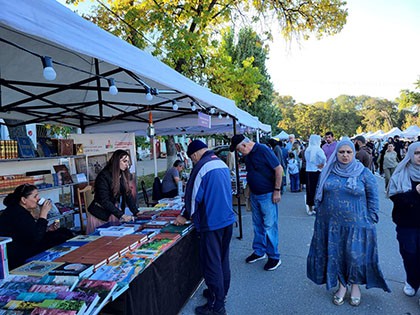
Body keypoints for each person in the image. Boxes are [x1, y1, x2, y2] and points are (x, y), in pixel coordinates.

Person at [307, 138, 390, 307]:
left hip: (358, 225)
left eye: (349, 152)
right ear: (336, 154)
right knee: (336, 255)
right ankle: (342, 286)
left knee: (354, 258)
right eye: (341, 152)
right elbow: (319, 194)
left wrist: (371, 218)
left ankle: (355, 286)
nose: (345, 155)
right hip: (332, 225)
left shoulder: (363, 173)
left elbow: (373, 197)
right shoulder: (328, 171)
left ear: (354, 153)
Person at [174, 140, 235, 315]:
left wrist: (184, 216)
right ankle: (220, 293)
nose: (193, 161)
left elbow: (193, 198)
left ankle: (217, 305)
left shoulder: (201, 166)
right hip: (226, 220)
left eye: (192, 158)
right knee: (223, 259)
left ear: (194, 154)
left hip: (212, 222)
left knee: (212, 263)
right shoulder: (220, 163)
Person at [230, 134, 283, 271]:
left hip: (268, 194)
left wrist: (277, 190)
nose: (239, 152)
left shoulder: (263, 149)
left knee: (270, 226)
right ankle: (259, 251)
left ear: (244, 145)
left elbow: (279, 169)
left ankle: (274, 256)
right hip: (255, 194)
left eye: (239, 150)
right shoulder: (248, 154)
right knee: (257, 225)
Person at [0, 184, 74, 269]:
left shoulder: (19, 209)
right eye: (35, 196)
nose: (38, 199)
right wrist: (43, 213)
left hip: (27, 243)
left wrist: (47, 229)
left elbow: (29, 230)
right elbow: (35, 237)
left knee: (63, 232)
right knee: (61, 237)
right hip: (20, 252)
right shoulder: (17, 213)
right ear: (24, 200)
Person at [387, 142, 420, 301]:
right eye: (417, 153)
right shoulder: (401, 173)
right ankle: (412, 281)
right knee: (410, 254)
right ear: (410, 154)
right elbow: (395, 198)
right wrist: (415, 193)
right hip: (407, 224)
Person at [87, 149, 139, 234]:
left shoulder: (121, 174)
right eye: (124, 161)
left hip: (112, 212)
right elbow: (104, 200)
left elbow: (127, 194)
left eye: (128, 162)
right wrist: (122, 215)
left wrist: (136, 212)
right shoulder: (103, 176)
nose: (127, 164)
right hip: (99, 215)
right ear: (116, 161)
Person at [305, 135, 326, 215]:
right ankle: (316, 206)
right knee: (317, 189)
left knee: (310, 190)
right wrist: (322, 164)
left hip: (309, 170)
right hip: (316, 171)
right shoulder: (318, 149)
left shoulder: (308, 149)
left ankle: (310, 208)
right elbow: (324, 158)